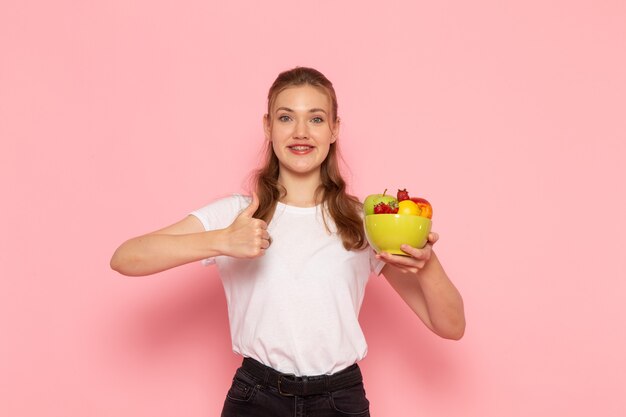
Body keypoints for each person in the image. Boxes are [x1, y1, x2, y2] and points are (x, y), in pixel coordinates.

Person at [110, 66, 465, 416]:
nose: (300, 132)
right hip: (256, 400)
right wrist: (221, 241)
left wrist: (428, 264)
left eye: (315, 119)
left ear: (334, 129)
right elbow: (126, 257)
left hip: (340, 402)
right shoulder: (238, 214)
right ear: (267, 126)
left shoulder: (362, 222)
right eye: (285, 118)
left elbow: (451, 327)